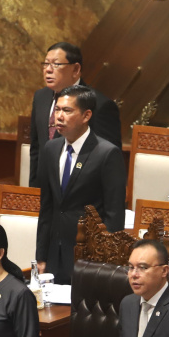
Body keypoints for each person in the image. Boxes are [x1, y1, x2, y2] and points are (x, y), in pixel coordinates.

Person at [35, 84, 125, 285]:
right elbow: (47, 207)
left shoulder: (106, 153)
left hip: (89, 254)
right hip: (54, 253)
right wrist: (41, 255)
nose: (59, 116)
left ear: (86, 116)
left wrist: (106, 260)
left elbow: (114, 213)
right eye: (57, 110)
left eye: (67, 110)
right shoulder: (51, 149)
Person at [28, 42, 122, 187]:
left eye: (56, 64)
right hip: (44, 193)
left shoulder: (99, 105)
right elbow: (36, 149)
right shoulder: (41, 97)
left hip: (81, 196)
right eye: (45, 64)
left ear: (76, 69)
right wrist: (33, 191)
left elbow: (110, 161)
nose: (48, 70)